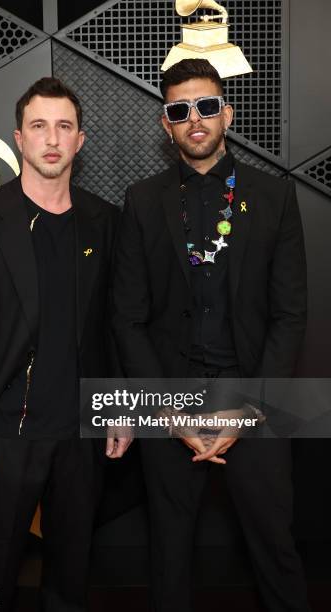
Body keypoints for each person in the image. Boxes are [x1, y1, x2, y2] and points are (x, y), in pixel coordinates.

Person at [113, 59, 310, 611]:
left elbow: (289, 314)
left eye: (204, 106)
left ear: (226, 112)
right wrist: (165, 411)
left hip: (252, 396)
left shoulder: (275, 198)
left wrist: (246, 408)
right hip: (170, 398)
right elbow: (127, 317)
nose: (194, 119)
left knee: (276, 549)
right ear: (166, 124)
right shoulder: (143, 202)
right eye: (180, 110)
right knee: (169, 557)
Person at [0, 76, 130, 611]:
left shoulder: (105, 222)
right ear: (18, 138)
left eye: (64, 126)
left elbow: (116, 327)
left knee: (70, 581)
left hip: (80, 439)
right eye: (39, 126)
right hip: (3, 435)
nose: (52, 138)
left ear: (79, 141)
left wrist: (119, 409)